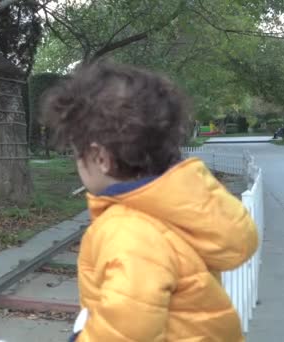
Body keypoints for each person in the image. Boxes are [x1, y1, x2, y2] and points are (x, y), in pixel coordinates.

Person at [42, 62, 258, 342]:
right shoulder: (178, 209)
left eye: (76, 153)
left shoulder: (129, 231)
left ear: (100, 158)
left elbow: (125, 332)